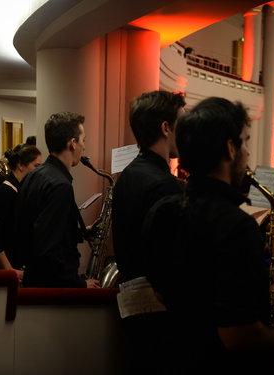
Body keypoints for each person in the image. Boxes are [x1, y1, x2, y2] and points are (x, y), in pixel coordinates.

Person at [142, 97, 274, 374]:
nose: (247, 153)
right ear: (230, 149)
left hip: (174, 357)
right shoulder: (238, 226)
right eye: (245, 141)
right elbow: (239, 336)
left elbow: (158, 292)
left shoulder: (163, 210)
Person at [111, 90, 186, 373]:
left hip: (132, 301)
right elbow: (168, 263)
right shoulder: (163, 184)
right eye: (181, 124)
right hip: (158, 311)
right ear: (165, 128)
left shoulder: (129, 174)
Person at [15, 112, 99, 288]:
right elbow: (48, 251)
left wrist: (81, 232)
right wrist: (81, 285)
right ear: (72, 143)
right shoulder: (60, 186)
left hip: (33, 279)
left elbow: (37, 229)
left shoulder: (33, 176)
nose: (84, 147)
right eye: (83, 140)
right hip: (52, 290)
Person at [0, 144, 42, 281]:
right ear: (21, 165)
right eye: (36, 166)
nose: (39, 172)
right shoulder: (6, 192)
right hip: (12, 268)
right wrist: (9, 269)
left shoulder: (19, 188)